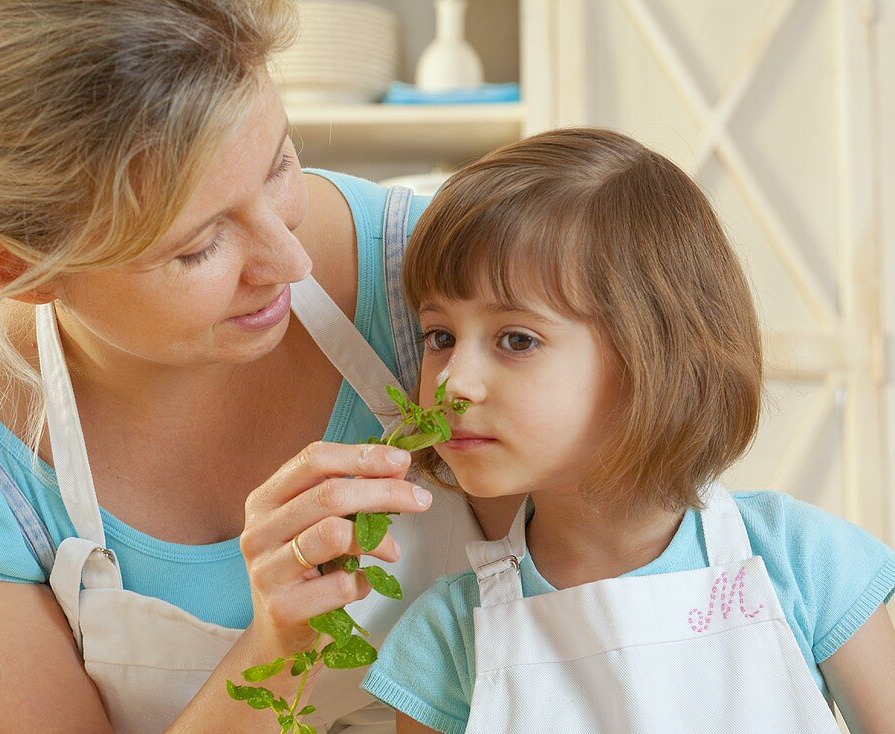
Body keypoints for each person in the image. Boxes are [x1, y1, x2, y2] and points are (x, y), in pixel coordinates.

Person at [0, 2, 512, 732]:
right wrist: (274, 650)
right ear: (17, 266)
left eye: (279, 165)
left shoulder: (451, 285)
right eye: (198, 247)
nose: (289, 263)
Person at [359, 128, 895, 733]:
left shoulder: (801, 563)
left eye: (516, 340)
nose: (455, 383)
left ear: (653, 358)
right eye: (441, 338)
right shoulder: (448, 639)